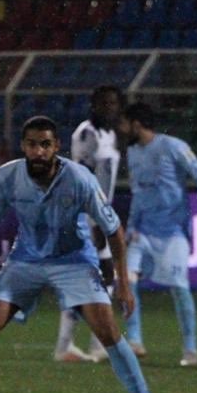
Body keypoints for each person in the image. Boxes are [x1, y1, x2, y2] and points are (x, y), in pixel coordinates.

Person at [0, 115, 169, 393]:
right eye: (32, 145)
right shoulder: (7, 177)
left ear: (56, 147)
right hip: (25, 261)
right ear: (23, 147)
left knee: (107, 330)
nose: (39, 152)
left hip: (73, 260)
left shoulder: (79, 178)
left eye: (45, 144)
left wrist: (123, 284)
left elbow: (114, 230)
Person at [116, 101, 197, 366]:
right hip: (142, 232)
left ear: (136, 124)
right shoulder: (132, 153)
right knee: (126, 282)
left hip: (172, 232)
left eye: (124, 123)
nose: (121, 129)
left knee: (179, 289)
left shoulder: (173, 147)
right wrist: (131, 228)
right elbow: (139, 194)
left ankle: (190, 349)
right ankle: (135, 341)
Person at [60, 85, 124, 363]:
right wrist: (93, 221)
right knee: (99, 276)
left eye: (114, 103)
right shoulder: (86, 133)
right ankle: (73, 346)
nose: (111, 108)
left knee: (104, 278)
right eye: (105, 103)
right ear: (94, 105)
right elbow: (81, 179)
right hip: (86, 215)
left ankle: (81, 345)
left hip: (102, 213)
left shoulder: (110, 134)